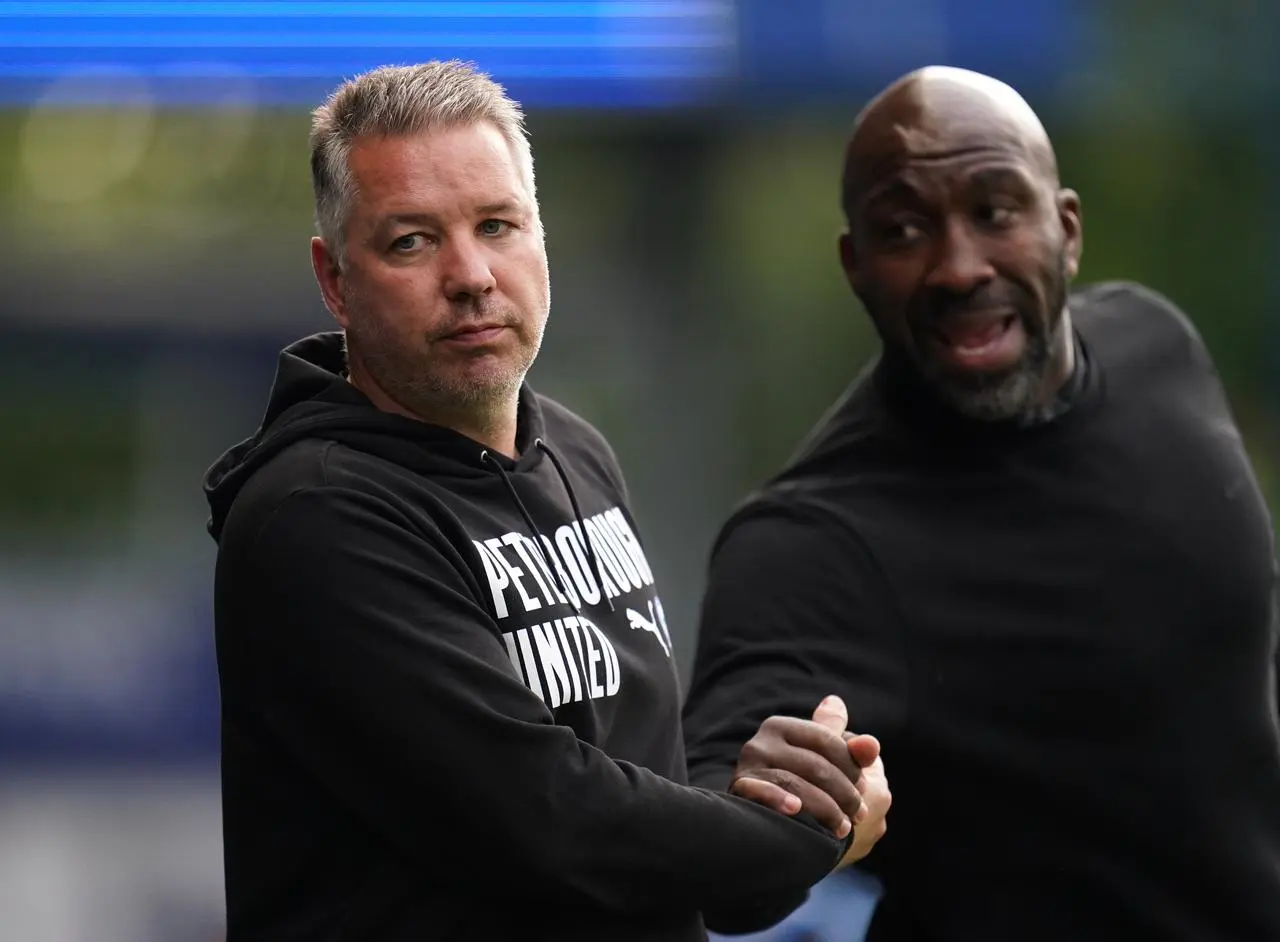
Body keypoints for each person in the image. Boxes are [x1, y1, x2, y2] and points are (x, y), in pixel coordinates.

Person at [201, 60, 890, 942]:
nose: (472, 275)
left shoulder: (577, 450)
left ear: (540, 235)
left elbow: (658, 831)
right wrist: (801, 842)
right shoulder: (315, 515)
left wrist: (785, 796)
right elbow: (557, 820)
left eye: (498, 225)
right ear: (335, 280)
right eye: (411, 240)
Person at [683, 65, 1280, 942]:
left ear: (1065, 230)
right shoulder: (812, 544)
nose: (959, 267)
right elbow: (718, 865)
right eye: (904, 229)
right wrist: (763, 802)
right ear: (855, 266)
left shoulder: (1157, 344)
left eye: (995, 212)